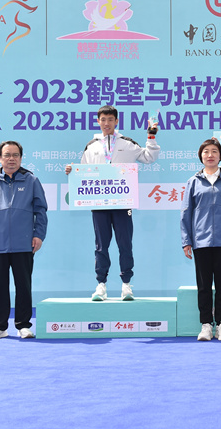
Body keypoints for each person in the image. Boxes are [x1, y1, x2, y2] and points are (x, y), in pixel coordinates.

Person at [65, 105, 159, 302]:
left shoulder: (127, 143)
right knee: (101, 246)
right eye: (103, 119)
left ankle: (126, 284)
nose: (106, 123)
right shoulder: (91, 146)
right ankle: (101, 284)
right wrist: (72, 170)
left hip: (123, 203)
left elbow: (149, 157)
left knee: (125, 244)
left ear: (116, 121)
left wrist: (151, 137)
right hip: (99, 204)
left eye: (110, 119)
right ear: (98, 121)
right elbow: (83, 171)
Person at [0, 141, 48, 340]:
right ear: (0, 158)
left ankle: (23, 325)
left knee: (23, 285)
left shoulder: (31, 181)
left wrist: (38, 235)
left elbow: (41, 210)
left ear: (21, 158)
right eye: (7, 155)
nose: (11, 159)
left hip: (24, 242)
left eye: (15, 155)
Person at [180, 138, 221, 341]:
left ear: (220, 156)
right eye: (206, 151)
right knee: (204, 286)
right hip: (201, 241)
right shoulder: (193, 182)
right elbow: (186, 213)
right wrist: (187, 240)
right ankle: (206, 324)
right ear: (201, 156)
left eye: (214, 151)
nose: (210, 155)